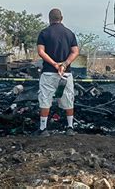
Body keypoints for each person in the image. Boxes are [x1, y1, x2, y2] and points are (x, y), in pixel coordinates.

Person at [35, 8, 79, 136]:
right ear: (62, 18)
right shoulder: (69, 34)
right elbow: (75, 51)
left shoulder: (44, 33)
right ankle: (70, 128)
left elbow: (41, 51)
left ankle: (43, 129)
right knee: (68, 98)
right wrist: (64, 64)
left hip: (48, 72)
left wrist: (54, 64)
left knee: (45, 99)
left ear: (49, 19)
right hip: (66, 73)